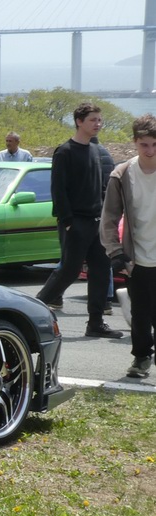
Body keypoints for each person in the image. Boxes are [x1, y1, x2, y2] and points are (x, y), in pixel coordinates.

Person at [35, 102, 121, 338]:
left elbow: (101, 187)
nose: (98, 124)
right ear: (79, 121)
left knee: (102, 269)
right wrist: (68, 221)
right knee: (70, 270)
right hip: (76, 222)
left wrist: (105, 216)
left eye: (99, 120)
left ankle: (95, 323)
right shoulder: (65, 151)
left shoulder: (95, 150)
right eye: (93, 120)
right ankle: (33, 311)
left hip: (96, 221)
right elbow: (58, 189)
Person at [101, 114, 156, 376]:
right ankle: (142, 358)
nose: (150, 150)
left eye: (155, 145)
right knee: (140, 314)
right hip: (137, 257)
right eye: (144, 144)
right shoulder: (122, 174)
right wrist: (116, 252)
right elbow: (109, 217)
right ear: (135, 142)